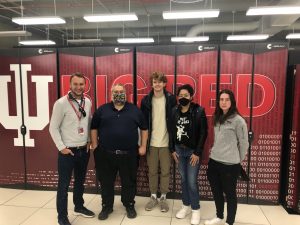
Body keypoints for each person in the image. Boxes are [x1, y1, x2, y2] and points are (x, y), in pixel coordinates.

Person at [90, 83, 148, 220]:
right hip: (106, 154)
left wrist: (143, 146)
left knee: (129, 182)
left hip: (129, 155)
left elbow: (144, 129)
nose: (118, 94)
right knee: (106, 182)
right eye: (116, 91)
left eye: (121, 91)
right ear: (111, 94)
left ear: (125, 93)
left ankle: (129, 204)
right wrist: (95, 145)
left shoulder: (135, 110)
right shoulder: (102, 110)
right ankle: (107, 206)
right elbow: (94, 128)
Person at [49, 72, 95, 225]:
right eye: (75, 84)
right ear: (70, 85)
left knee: (80, 182)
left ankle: (79, 206)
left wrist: (88, 140)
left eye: (81, 84)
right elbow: (53, 128)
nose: (78, 87)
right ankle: (62, 217)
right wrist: (61, 147)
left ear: (85, 85)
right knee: (63, 185)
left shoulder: (87, 102)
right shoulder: (61, 103)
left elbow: (87, 123)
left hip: (83, 150)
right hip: (68, 151)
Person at [205, 89, 249, 225]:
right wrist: (214, 150)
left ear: (232, 102)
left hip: (230, 165)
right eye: (221, 100)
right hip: (214, 162)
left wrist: (237, 160)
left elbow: (244, 144)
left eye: (227, 99)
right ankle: (219, 216)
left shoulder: (238, 121)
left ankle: (229, 222)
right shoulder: (217, 118)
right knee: (216, 192)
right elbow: (218, 139)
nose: (224, 102)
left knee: (230, 195)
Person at [170, 84, 208, 225]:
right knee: (184, 180)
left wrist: (197, 152)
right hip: (179, 151)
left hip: (192, 152)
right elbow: (171, 131)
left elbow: (204, 133)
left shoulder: (198, 111)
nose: (183, 98)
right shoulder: (174, 111)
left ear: (191, 97)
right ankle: (185, 206)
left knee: (191, 182)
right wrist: (172, 149)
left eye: (186, 95)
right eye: (181, 95)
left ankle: (196, 209)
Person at [140, 72, 176, 212]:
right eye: (155, 82)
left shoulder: (171, 99)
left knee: (166, 172)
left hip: (167, 143)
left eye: (160, 82)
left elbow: (175, 120)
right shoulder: (146, 101)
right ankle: (153, 196)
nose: (158, 84)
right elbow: (143, 124)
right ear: (152, 83)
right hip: (151, 143)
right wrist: (143, 142)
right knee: (153, 172)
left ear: (165, 83)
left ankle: (163, 198)